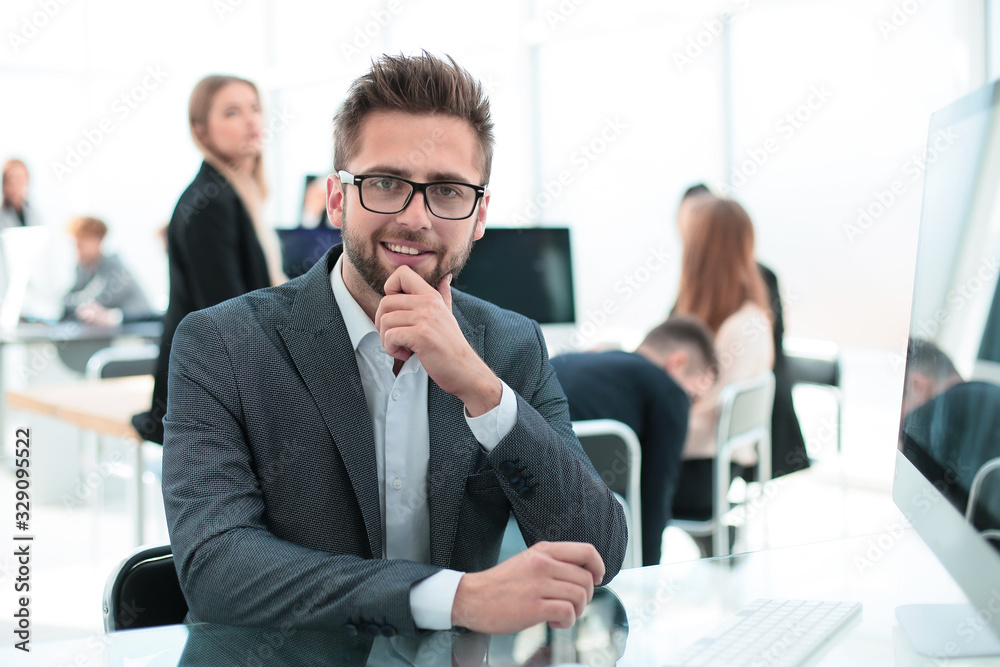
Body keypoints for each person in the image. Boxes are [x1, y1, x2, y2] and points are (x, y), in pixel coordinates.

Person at [161, 52, 626, 638]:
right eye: (384, 183)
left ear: (479, 214)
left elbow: (597, 549)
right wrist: (452, 598)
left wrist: (482, 391)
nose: (414, 218)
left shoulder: (510, 345)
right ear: (336, 199)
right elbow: (217, 567)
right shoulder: (226, 344)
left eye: (449, 191)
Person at [132, 74, 286, 445]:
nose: (251, 121)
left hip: (220, 381)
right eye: (232, 113)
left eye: (255, 108)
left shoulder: (236, 195)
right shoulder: (209, 203)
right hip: (205, 390)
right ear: (201, 132)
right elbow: (230, 316)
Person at [550, 316, 718, 566]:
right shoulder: (669, 390)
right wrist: (648, 578)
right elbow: (654, 499)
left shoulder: (582, 360)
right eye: (693, 396)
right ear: (677, 363)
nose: (688, 405)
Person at [676, 184, 808, 478]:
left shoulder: (741, 325)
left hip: (703, 466)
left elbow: (708, 421)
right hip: (715, 461)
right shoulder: (739, 313)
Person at [671, 197, 775, 528]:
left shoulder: (739, 328)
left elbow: (703, 415)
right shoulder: (742, 317)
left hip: (699, 474)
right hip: (711, 468)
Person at [61, 216, 154, 325]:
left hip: (139, 332)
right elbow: (67, 301)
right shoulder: (85, 269)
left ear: (98, 240)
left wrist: (68, 302)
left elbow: (93, 302)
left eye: (81, 245)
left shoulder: (115, 270)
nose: (77, 250)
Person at [0, 159, 35, 229]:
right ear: (4, 183)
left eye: (19, 179)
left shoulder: (34, 214)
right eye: (11, 179)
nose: (15, 185)